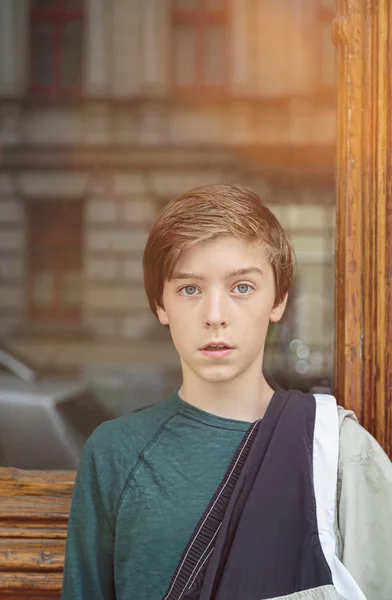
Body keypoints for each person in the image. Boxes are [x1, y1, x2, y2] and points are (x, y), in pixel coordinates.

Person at [61, 184, 392, 600]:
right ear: (160, 304)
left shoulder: (339, 450)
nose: (215, 316)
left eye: (241, 288)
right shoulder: (115, 454)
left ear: (279, 300)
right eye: (189, 289)